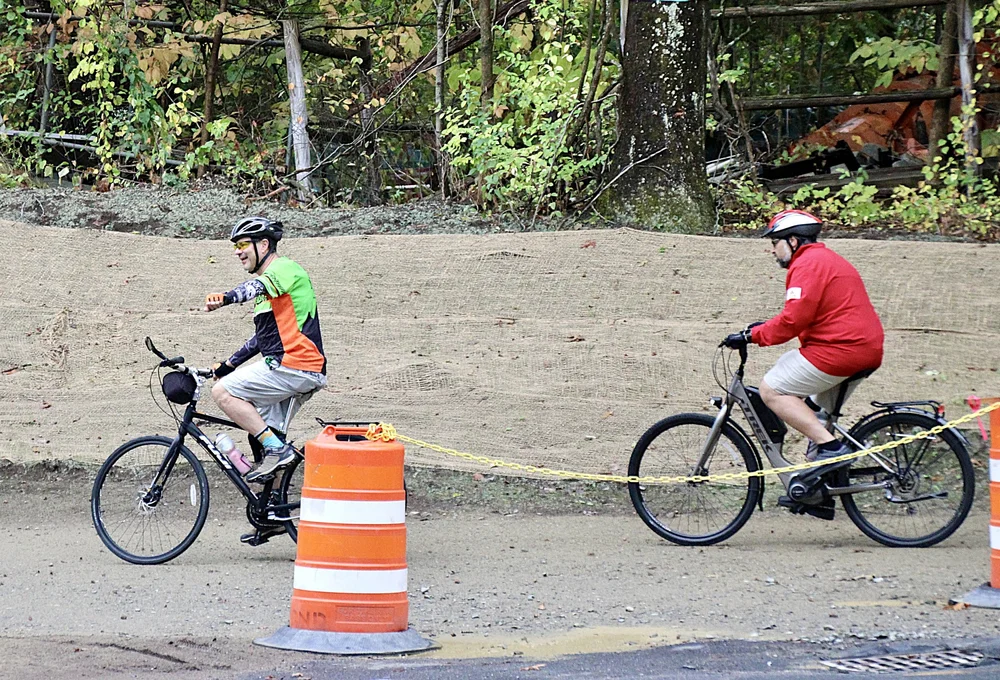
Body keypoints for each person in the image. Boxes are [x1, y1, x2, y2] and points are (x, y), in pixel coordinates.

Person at [722, 209, 884, 493]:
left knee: (772, 389)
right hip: (859, 347)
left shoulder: (807, 264)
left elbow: (793, 320)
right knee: (814, 413)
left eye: (775, 242)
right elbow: (803, 315)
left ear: (793, 241)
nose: (772, 250)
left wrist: (751, 336)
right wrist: (762, 328)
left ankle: (832, 448)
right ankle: (818, 489)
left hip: (840, 349)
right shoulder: (824, 259)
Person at [204, 216, 327, 493]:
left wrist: (226, 297)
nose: (237, 250)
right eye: (235, 245)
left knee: (223, 393)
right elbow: (262, 338)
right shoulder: (270, 293)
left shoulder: (285, 269)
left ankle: (277, 449)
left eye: (243, 243)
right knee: (261, 442)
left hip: (294, 365)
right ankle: (273, 512)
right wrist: (228, 364)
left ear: (264, 244)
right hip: (292, 368)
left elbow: (253, 287)